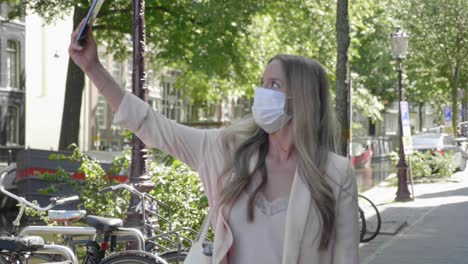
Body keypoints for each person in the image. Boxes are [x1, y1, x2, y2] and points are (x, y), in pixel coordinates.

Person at [69, 20, 359, 264]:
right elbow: (152, 125)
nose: (262, 93)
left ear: (303, 97)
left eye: (274, 85)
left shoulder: (335, 173)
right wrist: (93, 67)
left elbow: (346, 256)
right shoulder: (226, 150)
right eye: (261, 83)